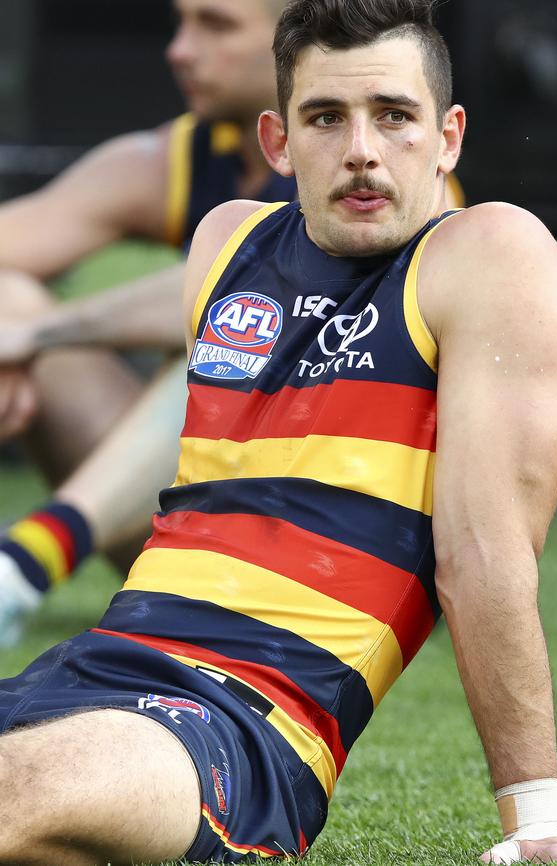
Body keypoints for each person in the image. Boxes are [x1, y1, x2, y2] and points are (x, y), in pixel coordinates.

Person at [1, 0, 557, 864]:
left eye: (394, 117)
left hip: (239, 724)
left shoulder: (487, 256)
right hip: (87, 668)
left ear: (448, 138)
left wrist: (537, 826)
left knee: (19, 789)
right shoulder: (227, 242)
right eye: (327, 118)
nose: (363, 148)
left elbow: (485, 554)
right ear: (277, 141)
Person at [0, 0, 301, 643]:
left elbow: (251, 282)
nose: (179, 50)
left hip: (336, 552)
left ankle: (23, 564)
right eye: (182, 22)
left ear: (299, 35)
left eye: (215, 25)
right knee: (6, 297)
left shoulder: (384, 165)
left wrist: (38, 337)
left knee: (231, 336)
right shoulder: (184, 154)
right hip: (192, 534)